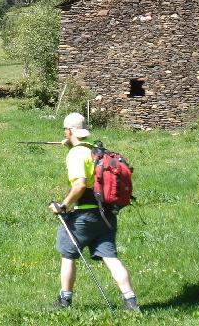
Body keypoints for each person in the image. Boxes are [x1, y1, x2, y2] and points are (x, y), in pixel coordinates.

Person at [49, 112, 138, 311]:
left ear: (69, 130)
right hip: (106, 214)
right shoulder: (95, 150)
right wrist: (71, 143)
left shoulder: (76, 154)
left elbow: (80, 185)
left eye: (66, 129)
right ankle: (130, 301)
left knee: (67, 253)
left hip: (84, 215)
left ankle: (64, 300)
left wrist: (63, 206)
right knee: (111, 257)